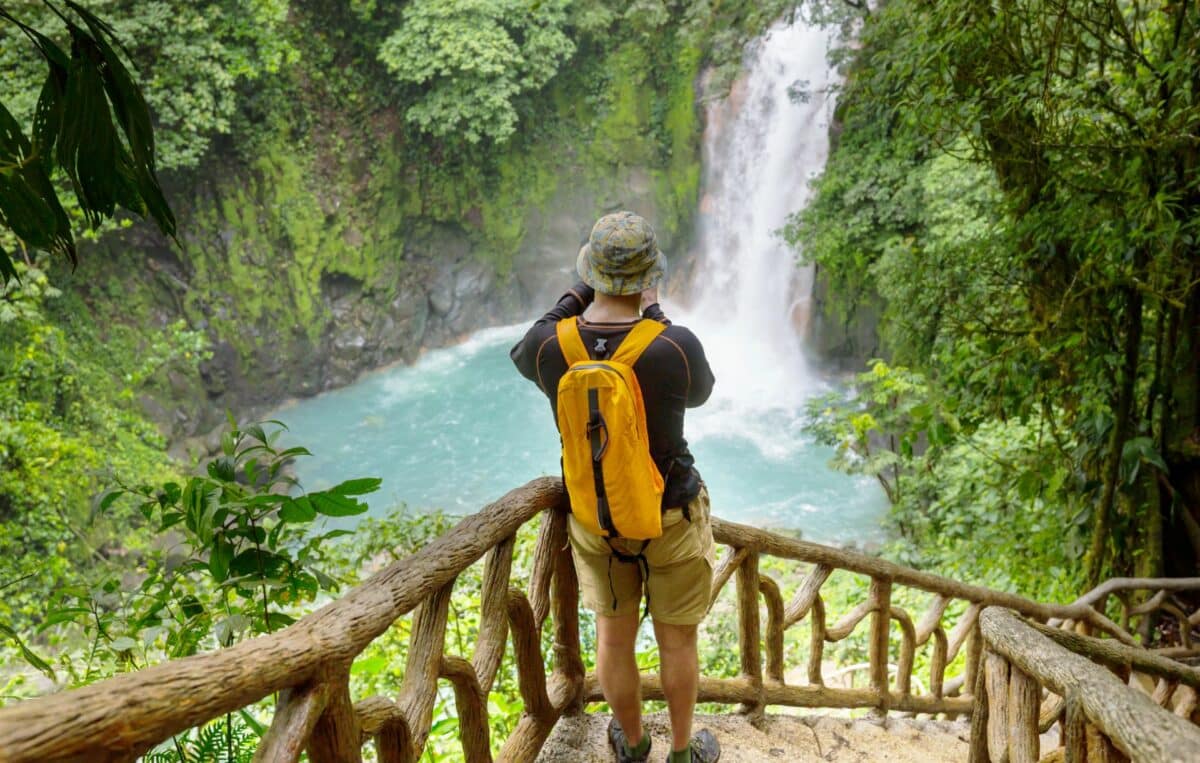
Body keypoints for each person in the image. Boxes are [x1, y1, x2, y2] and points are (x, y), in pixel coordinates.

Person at [510, 211, 719, 763]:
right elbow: (700, 393)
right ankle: (680, 750)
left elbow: (525, 345)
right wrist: (654, 311)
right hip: (670, 512)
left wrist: (578, 294)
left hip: (595, 518)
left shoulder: (551, 347)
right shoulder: (672, 345)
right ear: (650, 276)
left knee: (613, 637)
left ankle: (631, 743)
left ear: (591, 274)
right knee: (678, 640)